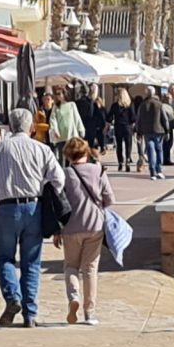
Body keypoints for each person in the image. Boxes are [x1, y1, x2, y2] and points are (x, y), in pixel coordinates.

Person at [0, 105, 64, 327]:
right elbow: (59, 179)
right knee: (31, 262)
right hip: (34, 207)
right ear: (31, 127)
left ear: (9, 127)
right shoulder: (42, 149)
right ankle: (30, 314)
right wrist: (44, 188)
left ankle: (13, 297)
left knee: (5, 258)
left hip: (6, 210)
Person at [54, 136, 116, 326]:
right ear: (86, 152)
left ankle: (73, 298)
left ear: (68, 155)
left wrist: (57, 231)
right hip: (95, 226)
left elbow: (58, 204)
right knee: (90, 269)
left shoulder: (64, 174)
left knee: (71, 266)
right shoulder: (98, 171)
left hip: (71, 227)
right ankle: (90, 313)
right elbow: (109, 199)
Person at [109, 90, 136, 174]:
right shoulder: (130, 105)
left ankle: (120, 162)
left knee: (119, 145)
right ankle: (128, 160)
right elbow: (133, 118)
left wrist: (107, 126)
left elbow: (109, 117)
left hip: (118, 127)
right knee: (128, 145)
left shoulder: (114, 105)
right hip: (127, 127)